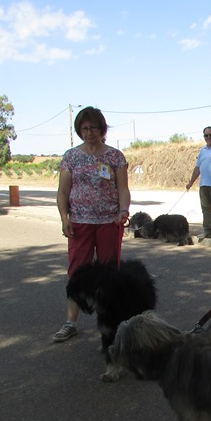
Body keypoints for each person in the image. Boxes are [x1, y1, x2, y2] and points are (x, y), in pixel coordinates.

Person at [54, 106, 130, 342]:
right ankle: (70, 322)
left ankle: (111, 323)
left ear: (102, 129)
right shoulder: (71, 157)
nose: (89, 132)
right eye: (84, 128)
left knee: (109, 273)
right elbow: (63, 192)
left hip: (109, 221)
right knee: (77, 273)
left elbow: (123, 189)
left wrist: (123, 210)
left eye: (93, 127)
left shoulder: (115, 157)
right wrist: (64, 217)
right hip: (80, 223)